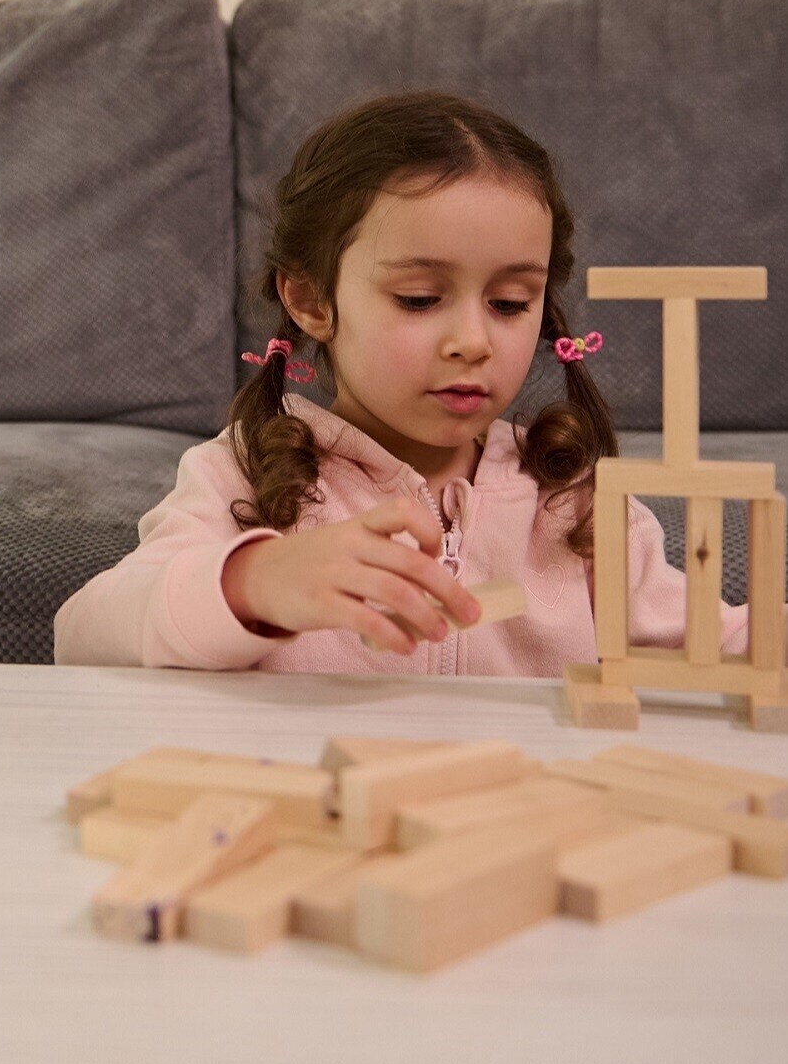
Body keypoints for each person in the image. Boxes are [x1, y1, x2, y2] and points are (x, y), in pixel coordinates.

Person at [53, 90, 748, 672]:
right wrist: (254, 581)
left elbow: (722, 644)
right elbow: (84, 636)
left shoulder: (570, 506)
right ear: (311, 300)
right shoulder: (244, 476)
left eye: (509, 303)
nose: (473, 341)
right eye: (419, 297)